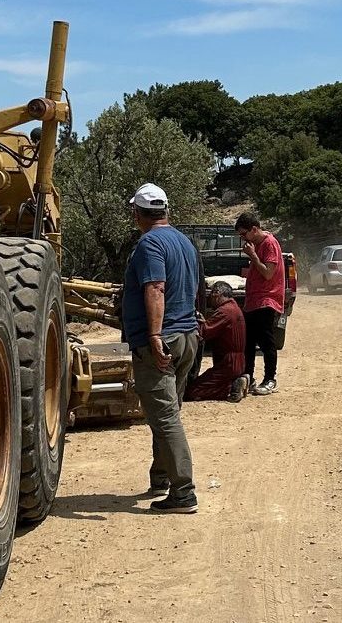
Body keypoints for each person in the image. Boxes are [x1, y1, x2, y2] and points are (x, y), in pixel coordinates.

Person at [122, 183, 201, 513]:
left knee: (166, 417)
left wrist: (154, 335)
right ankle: (161, 478)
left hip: (162, 341)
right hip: (186, 338)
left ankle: (183, 493)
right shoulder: (184, 242)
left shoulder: (149, 243)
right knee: (167, 411)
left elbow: (156, 287)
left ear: (137, 213)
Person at [235, 211, 283, 396]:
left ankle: (270, 379)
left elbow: (268, 273)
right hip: (253, 300)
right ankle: (248, 377)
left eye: (244, 234)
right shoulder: (256, 244)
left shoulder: (269, 244)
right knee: (248, 342)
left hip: (266, 299)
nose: (242, 239)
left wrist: (253, 256)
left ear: (254, 229)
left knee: (266, 341)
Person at [186, 282, 249, 402]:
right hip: (236, 362)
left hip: (228, 363)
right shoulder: (234, 308)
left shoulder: (224, 311)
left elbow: (205, 332)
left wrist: (196, 320)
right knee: (213, 383)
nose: (210, 300)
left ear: (217, 294)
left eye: (211, 296)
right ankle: (236, 382)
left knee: (192, 391)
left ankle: (232, 388)